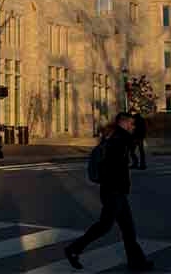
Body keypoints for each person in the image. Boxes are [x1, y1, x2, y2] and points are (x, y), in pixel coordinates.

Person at [64, 112, 154, 271]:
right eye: (131, 124)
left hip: (116, 191)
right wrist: (140, 128)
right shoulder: (119, 139)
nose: (133, 127)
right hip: (113, 191)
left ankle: (137, 262)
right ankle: (73, 249)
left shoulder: (115, 138)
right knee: (105, 226)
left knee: (128, 229)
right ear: (124, 123)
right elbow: (126, 148)